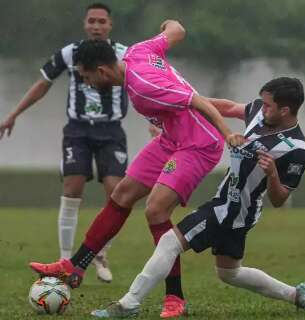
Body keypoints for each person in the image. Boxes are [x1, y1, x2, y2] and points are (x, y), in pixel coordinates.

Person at [29, 19, 246, 318]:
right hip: (172, 138)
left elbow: (196, 101)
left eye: (86, 77)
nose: (87, 83)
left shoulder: (142, 86)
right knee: (122, 193)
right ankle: (74, 265)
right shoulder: (139, 50)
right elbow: (177, 30)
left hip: (197, 144)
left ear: (102, 71)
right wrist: (168, 23)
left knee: (156, 210)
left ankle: (175, 297)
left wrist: (227, 133)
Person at [86, 77, 305, 318]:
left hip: (230, 209)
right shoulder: (261, 112)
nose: (262, 107)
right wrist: (179, 107)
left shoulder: (296, 149)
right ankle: (296, 295)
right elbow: (227, 108)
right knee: (229, 273)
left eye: (268, 105)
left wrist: (271, 174)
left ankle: (128, 304)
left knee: (169, 242)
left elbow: (280, 199)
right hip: (234, 208)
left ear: (285, 110)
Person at [0, 3, 129, 283]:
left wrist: (155, 121)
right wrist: (13, 114)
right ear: (85, 23)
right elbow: (43, 83)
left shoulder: (124, 54)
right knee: (72, 187)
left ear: (110, 25)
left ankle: (101, 253)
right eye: (92, 21)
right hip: (78, 130)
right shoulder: (70, 53)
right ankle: (65, 260)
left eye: (101, 21)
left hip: (111, 130)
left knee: (116, 191)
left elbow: (142, 86)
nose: (96, 26)